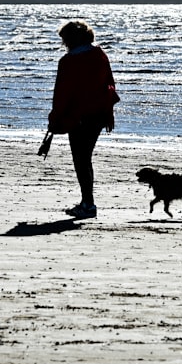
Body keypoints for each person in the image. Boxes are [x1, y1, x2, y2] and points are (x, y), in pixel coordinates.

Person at [47, 20, 119, 219]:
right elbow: (109, 85)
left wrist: (55, 117)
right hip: (98, 114)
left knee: (81, 159)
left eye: (64, 39)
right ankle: (87, 202)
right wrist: (108, 112)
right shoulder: (99, 55)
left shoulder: (68, 61)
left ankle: (88, 204)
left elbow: (62, 93)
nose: (63, 44)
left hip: (78, 116)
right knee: (85, 158)